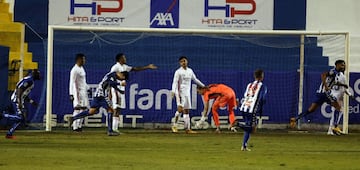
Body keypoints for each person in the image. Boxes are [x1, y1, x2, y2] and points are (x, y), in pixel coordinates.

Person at [290, 60, 349, 135]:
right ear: (337, 65)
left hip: (320, 93)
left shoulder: (337, 74)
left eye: (344, 65)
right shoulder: (333, 72)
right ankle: (335, 126)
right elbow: (323, 75)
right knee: (338, 107)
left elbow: (334, 82)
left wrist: (343, 85)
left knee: (311, 109)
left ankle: (295, 119)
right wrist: (326, 86)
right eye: (342, 65)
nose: (343, 67)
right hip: (326, 93)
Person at [69, 71, 129, 136]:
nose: (121, 79)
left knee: (91, 111)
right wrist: (120, 83)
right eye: (122, 78)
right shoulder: (112, 75)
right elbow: (108, 82)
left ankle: (73, 118)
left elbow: (111, 84)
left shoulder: (113, 76)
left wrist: (119, 90)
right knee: (110, 110)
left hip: (98, 94)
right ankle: (110, 131)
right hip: (102, 95)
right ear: (122, 75)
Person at [109, 53, 157, 133]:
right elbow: (109, 78)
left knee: (119, 109)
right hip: (116, 89)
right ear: (120, 59)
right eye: (124, 57)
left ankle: (115, 128)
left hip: (122, 90)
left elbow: (135, 69)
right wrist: (110, 92)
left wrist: (147, 67)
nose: (125, 58)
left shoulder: (124, 67)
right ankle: (113, 129)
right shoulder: (115, 67)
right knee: (116, 108)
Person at [0, 69, 40, 139]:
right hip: (17, 100)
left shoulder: (30, 80)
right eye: (38, 74)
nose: (39, 75)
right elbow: (19, 89)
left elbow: (24, 94)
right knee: (20, 117)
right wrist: (19, 101)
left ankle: (9, 134)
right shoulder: (29, 80)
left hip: (19, 100)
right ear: (34, 74)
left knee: (21, 119)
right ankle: (3, 115)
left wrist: (32, 102)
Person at [171, 56, 205, 133]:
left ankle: (188, 129)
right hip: (180, 92)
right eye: (182, 61)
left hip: (187, 93)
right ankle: (174, 125)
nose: (184, 62)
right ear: (180, 63)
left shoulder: (190, 71)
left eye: (185, 61)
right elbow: (175, 82)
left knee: (186, 111)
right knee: (180, 109)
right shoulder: (178, 72)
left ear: (187, 61)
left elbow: (195, 79)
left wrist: (203, 86)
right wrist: (173, 91)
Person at [238, 69, 267, 151]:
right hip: (252, 109)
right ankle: (237, 124)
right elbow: (262, 99)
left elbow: (245, 95)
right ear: (262, 77)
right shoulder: (263, 86)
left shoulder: (249, 85)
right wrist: (260, 110)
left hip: (244, 107)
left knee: (248, 126)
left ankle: (244, 146)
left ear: (255, 76)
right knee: (252, 129)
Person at [326, 69, 354, 135]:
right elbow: (336, 84)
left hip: (340, 97)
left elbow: (344, 89)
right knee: (334, 113)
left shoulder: (342, 76)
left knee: (339, 112)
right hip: (335, 96)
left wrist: (349, 94)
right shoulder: (334, 76)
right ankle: (331, 130)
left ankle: (334, 129)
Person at [69, 53, 89, 132]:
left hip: (83, 92)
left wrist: (88, 88)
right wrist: (71, 93)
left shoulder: (82, 68)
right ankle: (75, 127)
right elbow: (71, 82)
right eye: (83, 59)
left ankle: (79, 126)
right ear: (79, 59)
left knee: (84, 109)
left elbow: (83, 81)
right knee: (77, 108)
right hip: (77, 92)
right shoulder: (74, 69)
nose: (84, 61)